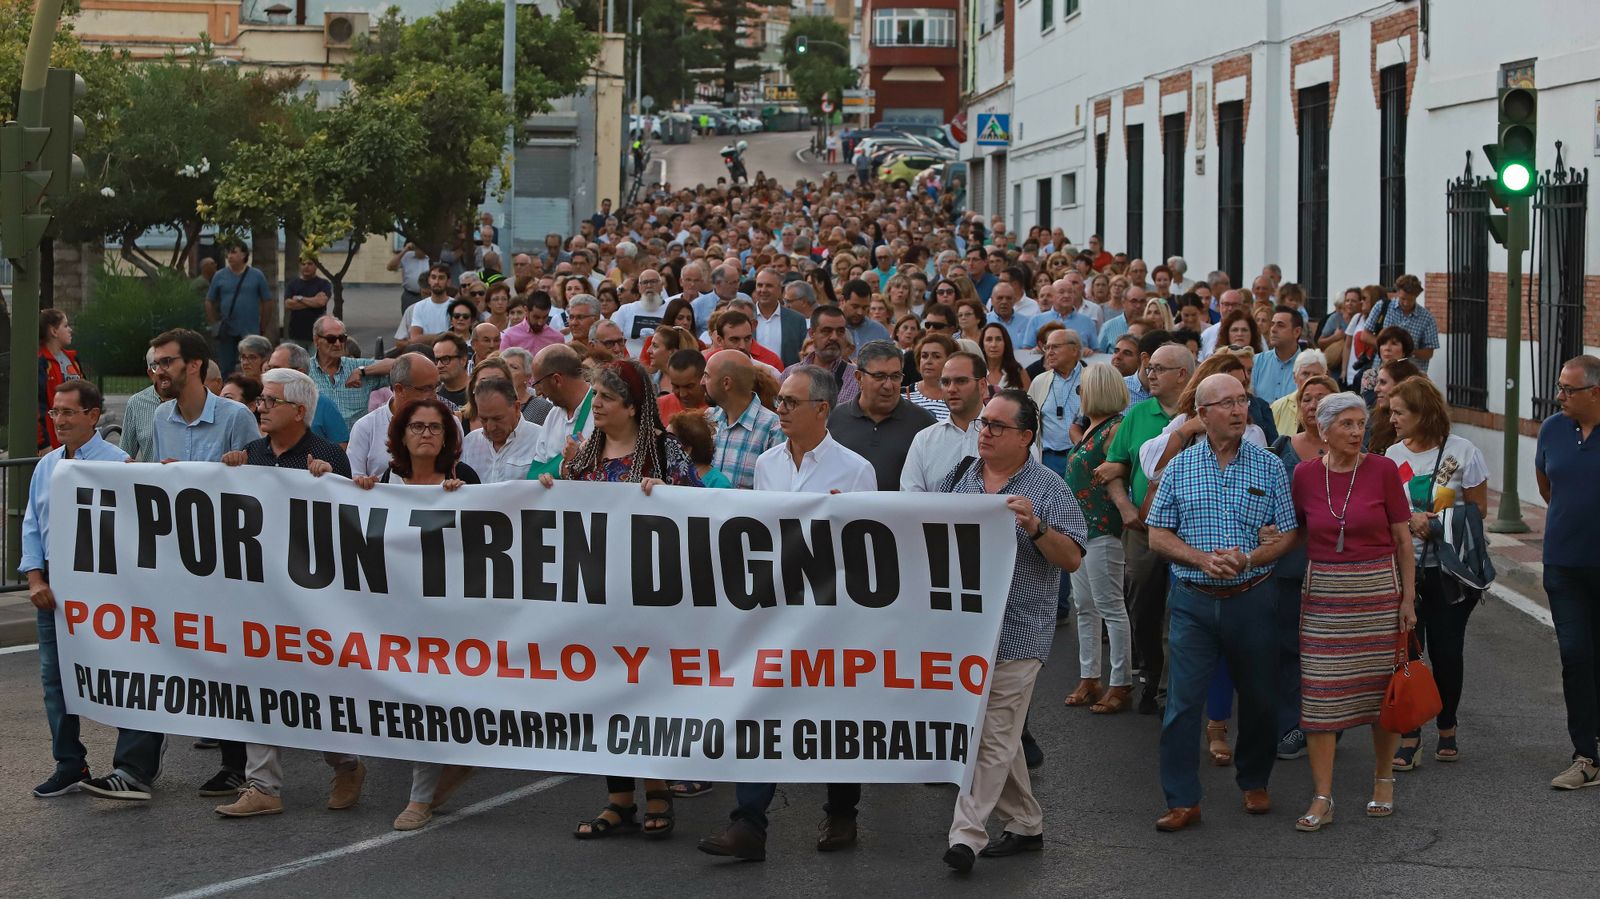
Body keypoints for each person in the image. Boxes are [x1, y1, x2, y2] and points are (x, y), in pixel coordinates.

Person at [698, 365, 875, 861]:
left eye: (791, 402)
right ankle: (748, 822)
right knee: (763, 707)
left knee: (835, 714)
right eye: (780, 401)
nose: (781, 410)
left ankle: (842, 811)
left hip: (832, 613)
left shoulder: (856, 469)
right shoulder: (768, 463)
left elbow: (868, 547)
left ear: (822, 409)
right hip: (776, 607)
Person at [536, 360, 700, 839]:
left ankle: (658, 789)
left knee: (649, 694)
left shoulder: (664, 452)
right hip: (597, 598)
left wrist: (671, 496)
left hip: (651, 599)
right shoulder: (586, 456)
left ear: (632, 406)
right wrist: (549, 490)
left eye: (606, 398)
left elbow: (705, 511)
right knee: (607, 695)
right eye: (596, 398)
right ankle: (619, 798)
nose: (597, 406)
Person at [939, 389, 1088, 873]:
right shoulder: (960, 477)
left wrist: (1037, 528)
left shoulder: (1049, 488)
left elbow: (1072, 558)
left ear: (1025, 437)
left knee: (993, 733)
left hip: (1018, 631)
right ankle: (1025, 822)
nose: (985, 432)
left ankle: (966, 834)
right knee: (993, 734)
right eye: (984, 423)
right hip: (964, 632)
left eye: (997, 426)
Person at [1146, 373, 1299, 832]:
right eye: (1227, 403)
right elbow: (1156, 535)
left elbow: (1288, 534)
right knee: (1181, 704)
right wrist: (1201, 559)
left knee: (1259, 697)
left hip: (1253, 598)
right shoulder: (1179, 467)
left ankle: (1254, 780)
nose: (1238, 410)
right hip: (1192, 600)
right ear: (1203, 414)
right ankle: (1182, 800)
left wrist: (1249, 557)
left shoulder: (1269, 465)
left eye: (1242, 401)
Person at [213, 369, 360, 818]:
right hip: (260, 594)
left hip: (310, 598)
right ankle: (262, 786)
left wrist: (331, 481)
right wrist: (229, 472)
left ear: (298, 411)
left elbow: (348, 521)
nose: (260, 408)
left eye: (270, 401)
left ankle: (345, 763)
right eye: (260, 400)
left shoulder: (327, 455)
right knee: (259, 682)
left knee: (314, 688)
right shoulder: (252, 453)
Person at [128, 328, 261, 800]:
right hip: (181, 559)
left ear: (195, 366)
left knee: (231, 660)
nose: (158, 371)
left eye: (166, 362)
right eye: (154, 363)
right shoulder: (160, 416)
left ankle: (238, 763)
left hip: (229, 560)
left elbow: (260, 483)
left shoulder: (236, 416)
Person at [1282, 391, 1415, 832]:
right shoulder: (1304, 475)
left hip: (1377, 594)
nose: (1358, 432)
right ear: (1324, 430)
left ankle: (1383, 779)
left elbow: (1403, 541)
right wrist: (1265, 544)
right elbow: (1297, 532)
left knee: (1382, 695)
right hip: (1323, 597)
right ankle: (1322, 796)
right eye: (1348, 424)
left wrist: (1408, 600)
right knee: (1320, 696)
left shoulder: (1383, 470)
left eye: (1361, 424)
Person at [351, 398, 480, 830]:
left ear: (447, 437)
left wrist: (468, 504)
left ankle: (420, 798)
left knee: (427, 700)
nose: (426, 434)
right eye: (417, 427)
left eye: (435, 427)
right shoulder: (382, 483)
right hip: (392, 613)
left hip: (447, 615)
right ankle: (454, 761)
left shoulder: (465, 480)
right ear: (401, 436)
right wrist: (351, 492)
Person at [20, 380, 139, 799]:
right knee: (55, 680)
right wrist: (36, 579)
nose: (60, 420)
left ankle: (133, 765)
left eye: (69, 412)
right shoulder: (46, 466)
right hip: (55, 585)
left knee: (120, 674)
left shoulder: (119, 464)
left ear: (93, 416)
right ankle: (69, 762)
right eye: (55, 412)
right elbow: (32, 525)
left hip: (105, 586)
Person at [1385, 377, 1489, 771]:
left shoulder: (1463, 451)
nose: (1392, 419)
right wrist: (1408, 521)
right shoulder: (1391, 456)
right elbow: (1384, 511)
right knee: (1408, 653)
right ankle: (1410, 735)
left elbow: (1478, 511)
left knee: (1446, 653)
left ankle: (1447, 725)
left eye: (1399, 412)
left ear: (1422, 413)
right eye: (1391, 412)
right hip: (1405, 571)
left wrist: (1436, 523)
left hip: (1449, 574)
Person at [1095, 343, 1194, 715]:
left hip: (1189, 529)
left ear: (1182, 375)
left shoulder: (1198, 414)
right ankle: (1151, 672)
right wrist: (1125, 508)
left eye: (1158, 369)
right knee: (1143, 605)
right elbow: (1114, 467)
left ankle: (1170, 686)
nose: (1149, 374)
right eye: (1149, 368)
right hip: (1142, 526)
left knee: (1180, 608)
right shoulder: (1137, 414)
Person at [1266, 374, 1340, 761]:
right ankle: (1292, 724)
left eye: (1321, 398)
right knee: (1288, 649)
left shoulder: (1354, 453)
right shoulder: (1281, 450)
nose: (1313, 405)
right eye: (1306, 399)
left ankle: (1330, 720)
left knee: (1330, 651)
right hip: (1290, 567)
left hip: (1338, 570)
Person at [1536, 355, 1600, 789]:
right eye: (1560, 387)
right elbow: (1547, 486)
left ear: (1594, 393)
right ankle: (1586, 755)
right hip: (1562, 564)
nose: (1559, 396)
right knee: (1576, 657)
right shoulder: (1552, 429)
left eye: (1567, 389)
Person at [1061, 364, 1135, 714]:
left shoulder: (1115, 427)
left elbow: (1129, 464)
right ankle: (1089, 676)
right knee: (1085, 606)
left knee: (1110, 606)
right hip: (1081, 529)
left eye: (1082, 389)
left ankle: (1121, 682)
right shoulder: (1094, 427)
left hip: (1103, 527)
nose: (1079, 395)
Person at [829, 340, 936, 492]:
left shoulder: (925, 425)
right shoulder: (833, 420)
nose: (888, 385)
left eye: (895, 376)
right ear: (859, 377)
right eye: (879, 376)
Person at [348, 353, 460, 478]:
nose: (434, 396)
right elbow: (354, 479)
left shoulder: (451, 423)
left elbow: (461, 472)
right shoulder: (365, 427)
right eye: (426, 389)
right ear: (399, 389)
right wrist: (365, 482)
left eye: (436, 387)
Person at [902, 352, 989, 493]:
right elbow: (910, 499)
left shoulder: (1006, 434)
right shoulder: (924, 440)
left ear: (982, 385)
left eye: (961, 381)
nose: (951, 389)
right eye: (945, 382)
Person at [703, 350, 783, 489]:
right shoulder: (709, 417)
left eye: (706, 375)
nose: (702, 382)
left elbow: (775, 489)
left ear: (726, 383)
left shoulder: (773, 428)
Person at [526, 344, 597, 481]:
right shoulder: (553, 415)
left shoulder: (601, 411)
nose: (538, 392)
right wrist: (562, 467)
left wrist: (556, 470)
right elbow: (532, 475)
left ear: (557, 380)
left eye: (538, 384)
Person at [307, 316, 389, 427]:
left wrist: (362, 371)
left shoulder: (356, 366)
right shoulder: (305, 370)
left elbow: (400, 365)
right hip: (319, 437)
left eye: (342, 338)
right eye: (331, 339)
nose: (337, 343)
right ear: (316, 340)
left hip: (354, 437)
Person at [265, 342, 352, 446]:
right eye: (269, 369)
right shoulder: (263, 403)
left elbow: (342, 446)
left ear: (300, 373)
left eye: (276, 369)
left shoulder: (323, 405)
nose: (269, 374)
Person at [460, 377, 542, 481]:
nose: (491, 427)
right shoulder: (469, 443)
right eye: (484, 419)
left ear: (517, 408)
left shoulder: (540, 440)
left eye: (497, 418)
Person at [1028, 327, 1086, 474]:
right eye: (1047, 348)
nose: (1049, 352)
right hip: (1048, 459)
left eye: (1055, 347)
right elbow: (1028, 419)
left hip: (1084, 457)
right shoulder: (1039, 381)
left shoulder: (1092, 378)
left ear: (1074, 350)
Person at [1364, 274, 1438, 373]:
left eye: (1411, 300)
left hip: (1411, 373)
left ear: (1416, 296)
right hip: (1382, 369)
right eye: (1403, 298)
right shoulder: (1382, 306)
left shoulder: (1427, 318)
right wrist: (1386, 346)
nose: (1406, 303)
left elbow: (1429, 352)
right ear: (1398, 292)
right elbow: (1365, 336)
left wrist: (1407, 351)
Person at [36, 309, 84, 450]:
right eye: (66, 325)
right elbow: (38, 405)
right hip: (54, 440)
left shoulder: (72, 359)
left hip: (77, 438)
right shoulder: (42, 362)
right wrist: (43, 443)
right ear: (54, 331)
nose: (70, 330)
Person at [1268, 349, 1329, 436]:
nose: (1310, 379)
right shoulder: (1278, 407)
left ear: (1325, 377)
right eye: (1305, 374)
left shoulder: (1333, 407)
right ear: (1294, 377)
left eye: (1316, 375)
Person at [1252, 306, 1304, 403]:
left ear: (1296, 332)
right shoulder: (1257, 362)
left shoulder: (1308, 366)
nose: (1273, 329)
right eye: (1272, 324)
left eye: (1280, 325)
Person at [669, 410, 733, 488]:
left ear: (687, 450)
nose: (664, 444)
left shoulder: (718, 483)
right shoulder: (671, 475)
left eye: (670, 442)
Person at [497, 346, 555, 424]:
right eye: (503, 366)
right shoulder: (489, 402)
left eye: (514, 367)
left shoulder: (542, 408)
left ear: (528, 376)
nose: (506, 371)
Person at [1358, 326, 1416, 404]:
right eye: (1383, 344)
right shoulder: (1371, 375)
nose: (1387, 348)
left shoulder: (1413, 376)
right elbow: (1369, 403)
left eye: (1394, 344)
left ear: (1404, 351)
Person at [906, 332, 957, 421]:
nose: (928, 361)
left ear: (950, 360)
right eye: (924, 356)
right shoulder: (902, 395)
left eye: (936, 356)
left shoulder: (959, 397)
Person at [500, 291, 566, 355]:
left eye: (545, 317)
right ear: (526, 310)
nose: (540, 322)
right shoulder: (509, 336)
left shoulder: (557, 338)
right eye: (536, 317)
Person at [283, 258, 332, 344]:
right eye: (303, 264)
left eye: (310, 264)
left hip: (317, 334)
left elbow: (321, 302)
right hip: (296, 334)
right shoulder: (292, 284)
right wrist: (314, 301)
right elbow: (288, 304)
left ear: (316, 266)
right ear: (299, 266)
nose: (306, 267)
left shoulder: (324, 284)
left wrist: (300, 298)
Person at [658, 349, 711, 419]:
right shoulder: (658, 407)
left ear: (704, 379)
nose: (682, 394)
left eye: (689, 386)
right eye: (676, 387)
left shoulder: (720, 410)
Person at [408, 264, 457, 339]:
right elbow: (415, 338)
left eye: (441, 278)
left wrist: (426, 337)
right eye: (433, 277)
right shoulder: (419, 306)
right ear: (429, 280)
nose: (436, 282)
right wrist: (444, 336)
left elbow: (458, 336)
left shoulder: (456, 305)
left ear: (448, 282)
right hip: (424, 347)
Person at [981, 323, 1029, 393]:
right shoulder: (976, 372)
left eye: (998, 339)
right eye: (989, 339)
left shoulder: (1019, 372)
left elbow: (1029, 398)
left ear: (1005, 343)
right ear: (982, 345)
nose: (994, 344)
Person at [432, 334, 472, 406]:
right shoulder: (433, 397)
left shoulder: (478, 392)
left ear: (463, 360)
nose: (439, 365)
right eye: (436, 360)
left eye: (445, 359)